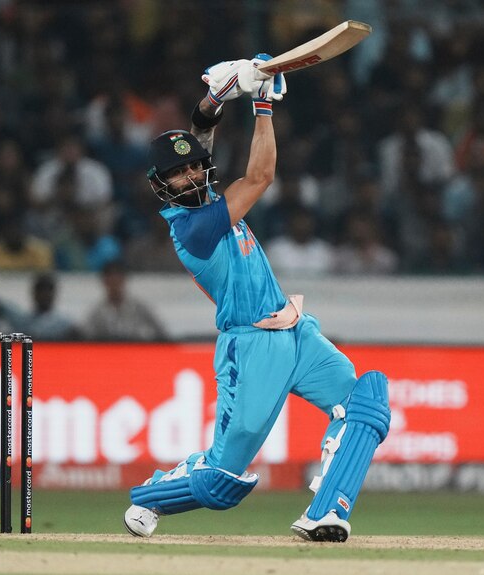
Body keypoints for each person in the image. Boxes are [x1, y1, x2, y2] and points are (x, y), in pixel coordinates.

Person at [123, 55, 391, 543]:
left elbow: (202, 123)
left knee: (367, 401)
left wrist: (223, 91)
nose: (190, 176)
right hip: (250, 348)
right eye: (177, 174)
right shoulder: (193, 228)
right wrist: (262, 102)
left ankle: (326, 512)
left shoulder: (206, 195)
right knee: (222, 484)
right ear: (161, 187)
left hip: (295, 331)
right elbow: (261, 177)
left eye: (193, 167)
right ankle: (152, 494)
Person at [82, 259, 167, 341]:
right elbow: (86, 337)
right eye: (111, 280)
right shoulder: (97, 312)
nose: (114, 284)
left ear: (123, 280)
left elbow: (161, 333)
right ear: (105, 282)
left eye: (117, 279)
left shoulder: (139, 308)